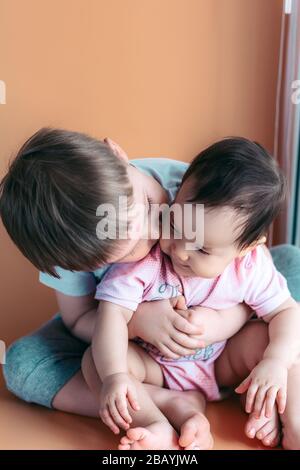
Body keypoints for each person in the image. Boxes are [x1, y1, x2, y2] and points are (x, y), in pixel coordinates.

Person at [1, 129, 300, 449]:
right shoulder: (118, 266)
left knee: (290, 269)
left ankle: (285, 410)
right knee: (30, 364)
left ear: (118, 155)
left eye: (150, 206)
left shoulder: (196, 184)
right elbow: (82, 322)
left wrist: (227, 322)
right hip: (130, 339)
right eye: (127, 251)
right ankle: (165, 406)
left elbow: (247, 255)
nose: (158, 234)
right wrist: (138, 324)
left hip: (225, 329)